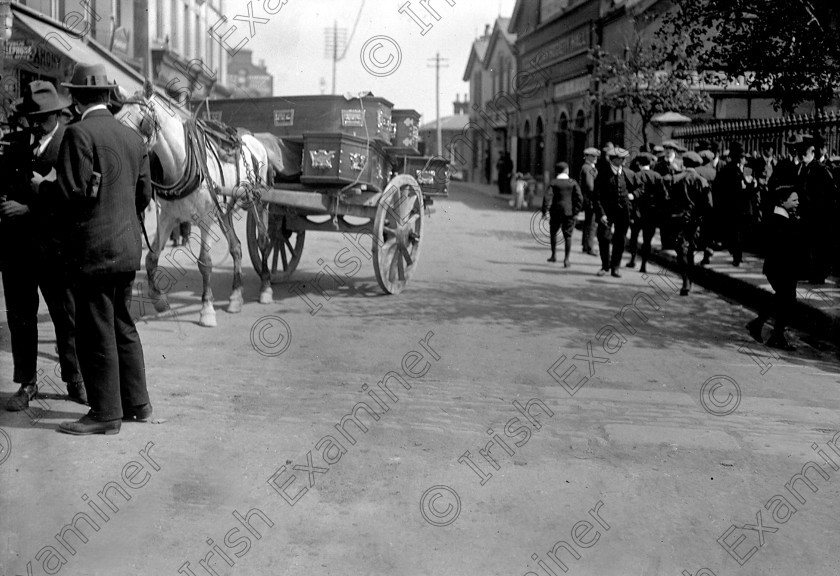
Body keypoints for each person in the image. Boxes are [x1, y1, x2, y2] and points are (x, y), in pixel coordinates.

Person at [47, 63, 153, 435]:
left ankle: (105, 413)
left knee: (95, 329)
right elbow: (144, 196)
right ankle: (138, 404)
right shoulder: (134, 139)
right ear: (109, 96)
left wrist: (42, 188)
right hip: (126, 248)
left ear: (75, 98)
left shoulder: (78, 134)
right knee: (123, 323)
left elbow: (70, 195)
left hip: (92, 250)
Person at [4, 81, 88, 412]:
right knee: (21, 317)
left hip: (56, 250)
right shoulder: (18, 143)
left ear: (56, 115)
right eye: (31, 118)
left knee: (66, 316)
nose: (34, 125)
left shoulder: (72, 141)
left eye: (41, 119)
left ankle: (75, 378)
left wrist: (29, 209)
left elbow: (73, 197)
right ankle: (26, 383)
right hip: (17, 249)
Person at [746, 186, 800, 350]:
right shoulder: (779, 221)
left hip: (781, 267)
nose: (798, 203)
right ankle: (768, 330)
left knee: (784, 299)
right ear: (782, 202)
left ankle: (768, 330)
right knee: (787, 299)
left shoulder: (782, 218)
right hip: (780, 268)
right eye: (794, 200)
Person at [793, 134, 836, 284]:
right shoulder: (803, 169)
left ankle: (818, 274)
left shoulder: (820, 169)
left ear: (812, 151)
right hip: (807, 215)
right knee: (808, 244)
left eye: (803, 152)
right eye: (799, 152)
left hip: (818, 215)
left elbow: (828, 195)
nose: (800, 155)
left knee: (818, 244)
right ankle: (809, 271)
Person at [668, 151, 712, 296]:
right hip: (694, 219)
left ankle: (686, 280)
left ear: (684, 164)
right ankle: (689, 279)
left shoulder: (675, 179)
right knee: (691, 249)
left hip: (677, 218)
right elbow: (709, 205)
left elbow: (669, 200)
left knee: (681, 250)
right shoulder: (702, 181)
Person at [594, 147, 636, 278]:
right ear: (613, 160)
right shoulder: (602, 174)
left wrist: (633, 195)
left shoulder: (628, 173)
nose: (623, 161)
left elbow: (639, 187)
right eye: (620, 158)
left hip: (623, 212)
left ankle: (615, 267)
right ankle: (605, 266)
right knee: (604, 238)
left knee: (620, 239)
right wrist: (601, 214)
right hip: (607, 212)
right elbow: (596, 196)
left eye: (624, 158)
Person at [717, 142, 757, 267]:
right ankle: (737, 256)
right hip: (733, 207)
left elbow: (752, 189)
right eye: (741, 157)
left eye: (744, 157)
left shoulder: (748, 170)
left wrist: (753, 186)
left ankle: (737, 254)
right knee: (735, 233)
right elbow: (725, 190)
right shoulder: (728, 170)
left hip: (745, 207)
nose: (743, 160)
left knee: (742, 233)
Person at [626, 153, 667, 273]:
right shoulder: (657, 176)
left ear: (639, 164)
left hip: (636, 212)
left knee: (634, 236)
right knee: (647, 240)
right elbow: (663, 196)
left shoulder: (635, 175)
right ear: (651, 164)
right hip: (652, 213)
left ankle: (633, 259)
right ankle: (643, 265)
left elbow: (630, 195)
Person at [542, 162, 583, 268]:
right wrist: (576, 211)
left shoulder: (554, 182)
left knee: (553, 233)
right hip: (569, 212)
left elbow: (547, 197)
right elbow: (580, 198)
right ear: (566, 170)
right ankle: (566, 259)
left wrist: (545, 211)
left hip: (555, 212)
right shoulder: (572, 182)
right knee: (568, 236)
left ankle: (553, 255)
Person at [579, 147, 599, 255]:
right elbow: (590, 186)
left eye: (596, 156)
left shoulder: (588, 167)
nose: (595, 158)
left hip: (588, 199)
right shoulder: (588, 168)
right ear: (587, 156)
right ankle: (590, 247)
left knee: (588, 222)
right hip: (591, 199)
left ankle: (585, 245)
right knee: (592, 224)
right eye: (593, 156)